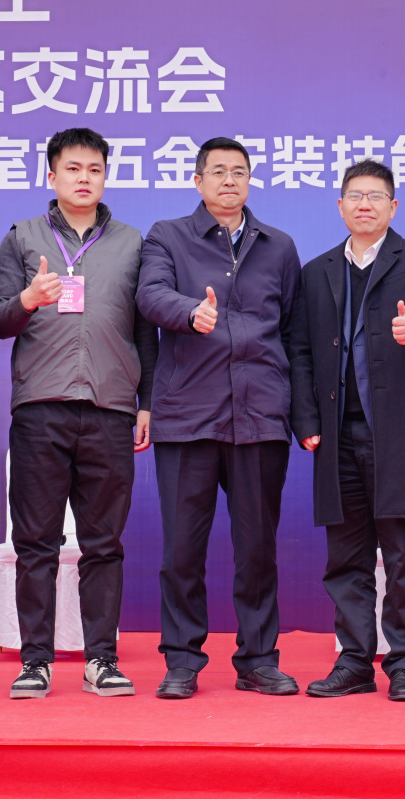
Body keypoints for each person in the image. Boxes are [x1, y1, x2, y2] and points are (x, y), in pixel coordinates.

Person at [0, 128, 156, 699]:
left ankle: (101, 659)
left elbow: (145, 331)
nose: (84, 178)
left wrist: (146, 402)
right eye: (73, 168)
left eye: (94, 169)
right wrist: (28, 299)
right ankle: (35, 661)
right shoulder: (21, 237)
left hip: (110, 408)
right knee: (36, 542)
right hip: (41, 408)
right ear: (52, 175)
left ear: (106, 176)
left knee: (103, 544)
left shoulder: (132, 243)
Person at [136, 137, 302, 700]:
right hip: (188, 415)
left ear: (249, 181)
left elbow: (294, 333)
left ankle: (258, 660)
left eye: (239, 172)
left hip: (260, 417)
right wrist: (190, 311)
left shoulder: (279, 246)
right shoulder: (167, 236)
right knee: (182, 551)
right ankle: (182, 660)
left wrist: (298, 414)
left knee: (257, 550)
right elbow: (150, 296)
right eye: (219, 171)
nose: (230, 181)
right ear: (198, 180)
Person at [290, 160, 405, 702]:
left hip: (403, 433)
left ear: (393, 206)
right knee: (346, 558)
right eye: (355, 196)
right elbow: (299, 350)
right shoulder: (316, 271)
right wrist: (307, 420)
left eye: (376, 196)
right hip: (337, 434)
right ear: (340, 206)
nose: (365, 204)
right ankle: (355, 661)